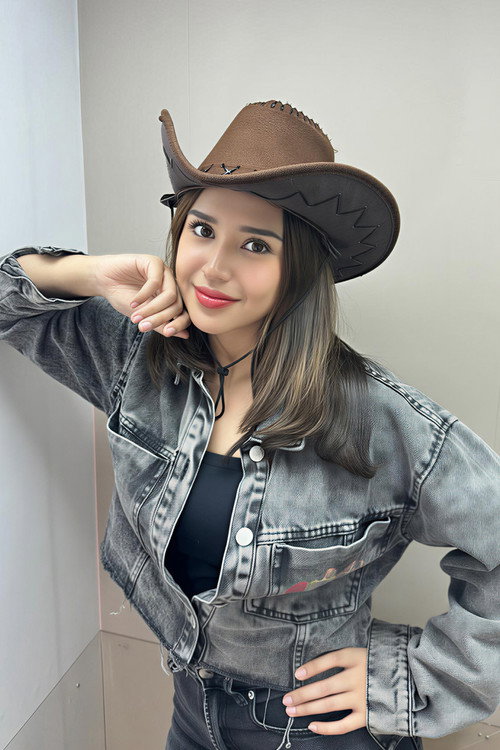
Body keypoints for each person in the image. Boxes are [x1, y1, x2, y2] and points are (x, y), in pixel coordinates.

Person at [0, 99, 499, 750]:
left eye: (256, 244)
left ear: (301, 268)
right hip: (189, 707)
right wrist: (89, 273)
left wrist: (414, 679)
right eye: (201, 229)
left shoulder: (381, 424)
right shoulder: (134, 360)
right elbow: (10, 301)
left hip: (316, 730)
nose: (213, 266)